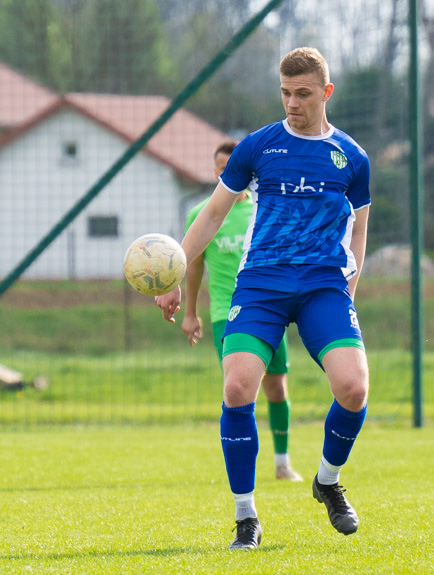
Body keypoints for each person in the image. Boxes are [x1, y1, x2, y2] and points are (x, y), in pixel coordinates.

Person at [156, 47, 370, 549]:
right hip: (262, 284)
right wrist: (173, 274)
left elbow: (358, 230)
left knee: (354, 389)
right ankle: (245, 515)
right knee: (238, 388)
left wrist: (351, 289)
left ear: (326, 93)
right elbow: (210, 216)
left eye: (302, 94)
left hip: (323, 285)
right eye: (285, 93)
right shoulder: (259, 147)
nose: (292, 103)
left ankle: (327, 481)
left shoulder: (351, 157)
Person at [182, 140, 302, 483]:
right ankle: (240, 468)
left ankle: (282, 463)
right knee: (238, 389)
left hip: (269, 310)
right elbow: (193, 268)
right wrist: (190, 313)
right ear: (215, 171)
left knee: (277, 388)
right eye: (220, 168)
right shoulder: (202, 214)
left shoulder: (261, 210)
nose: (225, 172)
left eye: (230, 166)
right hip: (226, 313)